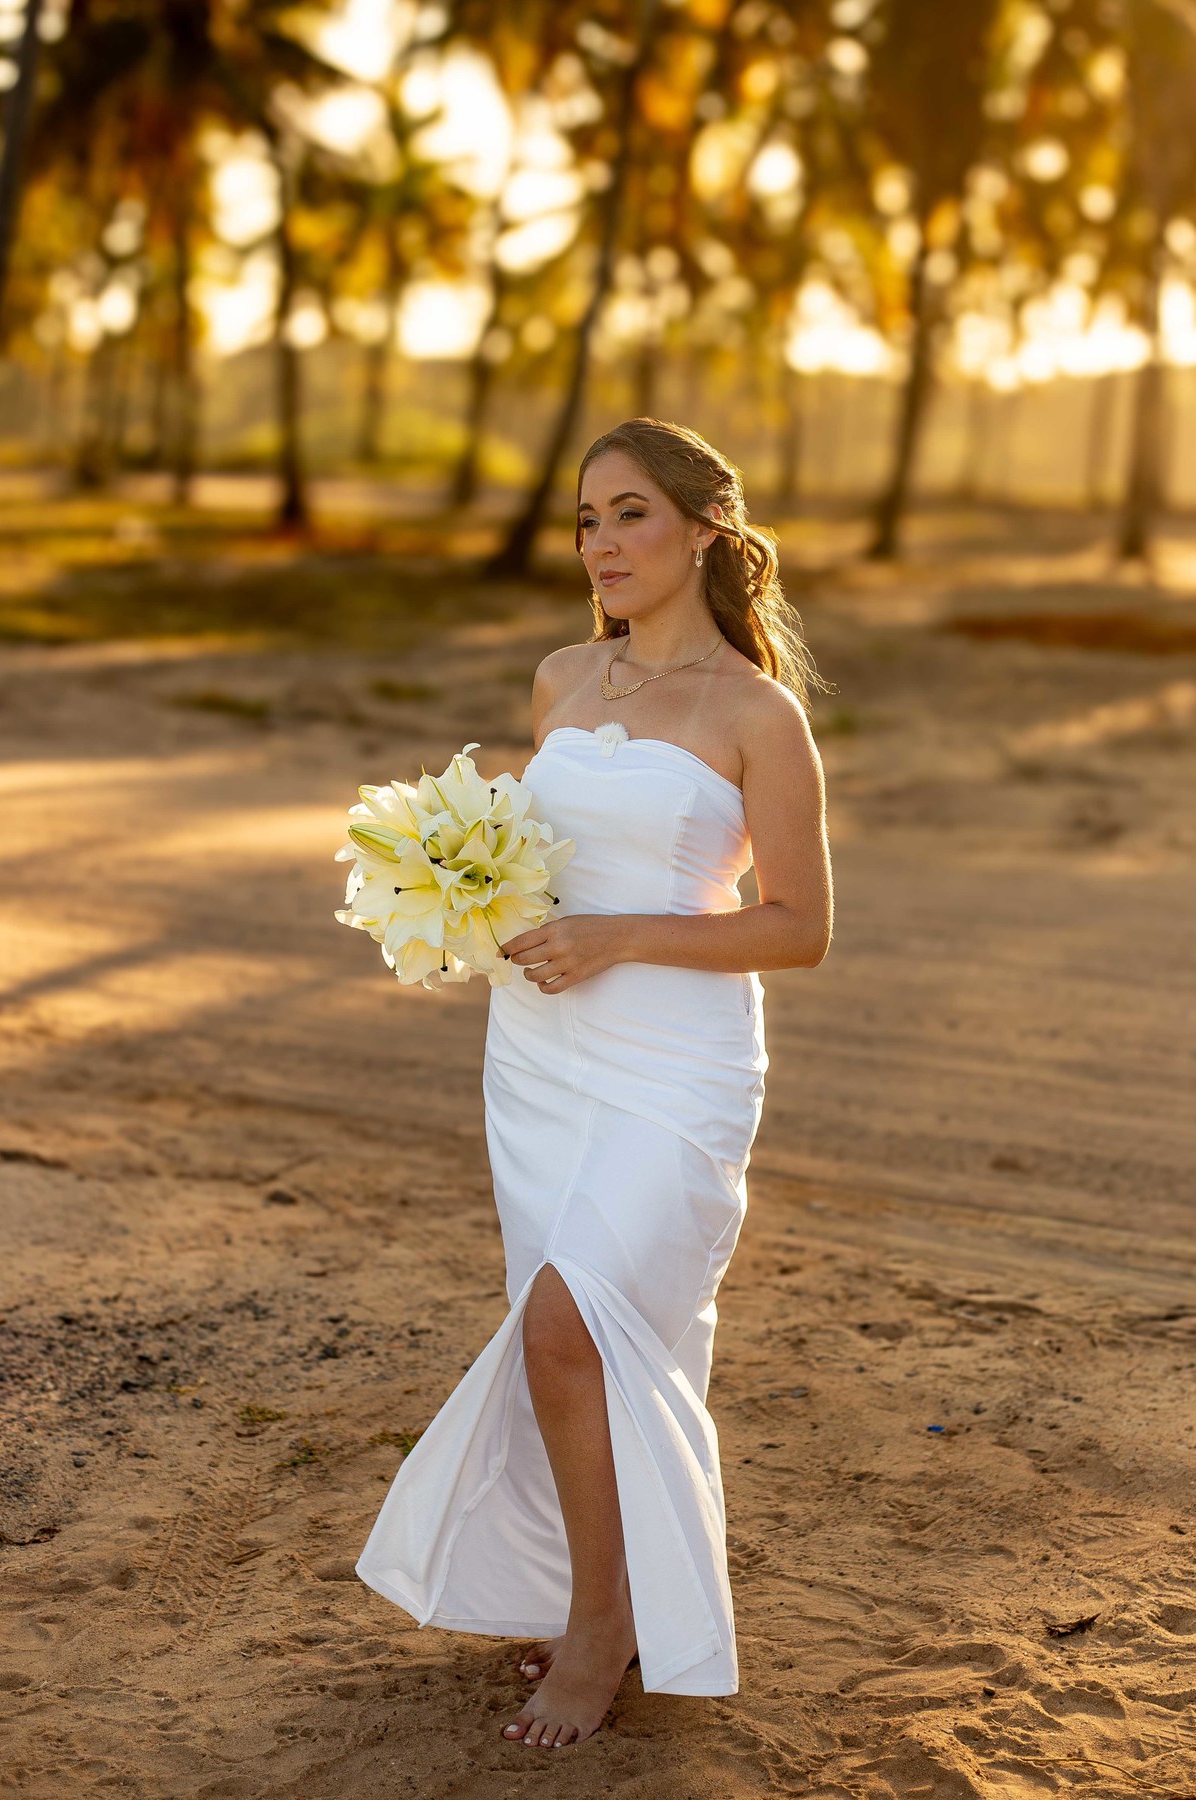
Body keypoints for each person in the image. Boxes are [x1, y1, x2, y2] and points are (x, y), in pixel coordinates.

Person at [355, 416, 834, 1749]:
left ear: (704, 531)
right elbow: (545, 862)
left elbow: (800, 926)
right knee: (565, 1340)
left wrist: (621, 935)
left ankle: (604, 1625)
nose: (602, 544)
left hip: (676, 1063)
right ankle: (591, 1597)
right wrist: (459, 892)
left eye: (630, 514)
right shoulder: (562, 680)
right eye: (585, 520)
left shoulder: (757, 714)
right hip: (542, 1054)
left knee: (577, 1325)